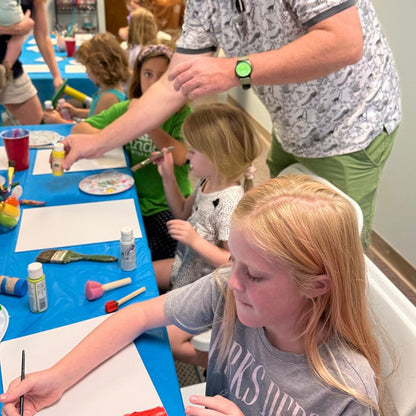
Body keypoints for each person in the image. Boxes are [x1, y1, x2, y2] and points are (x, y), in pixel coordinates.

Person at [0, 174, 386, 415]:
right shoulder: (231, 290)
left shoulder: (347, 391)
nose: (233, 280)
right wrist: (58, 377)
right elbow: (135, 316)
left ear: (317, 284)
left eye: (254, 274)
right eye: (234, 260)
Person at [58, 0, 401, 249]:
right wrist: (98, 141)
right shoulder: (205, 4)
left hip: (351, 127)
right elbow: (170, 85)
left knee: (332, 254)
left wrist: (234, 70)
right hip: (292, 128)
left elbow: (343, 40)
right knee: (285, 243)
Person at [72, 44, 192, 261]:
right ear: (138, 77)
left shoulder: (181, 114)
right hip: (128, 198)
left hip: (165, 205)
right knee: (103, 244)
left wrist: (146, 122)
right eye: (148, 74)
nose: (154, 82)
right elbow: (80, 129)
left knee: (152, 253)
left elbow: (182, 156)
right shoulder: (127, 107)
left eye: (161, 75)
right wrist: (115, 138)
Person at [152, 102, 261, 292]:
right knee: (140, 274)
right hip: (184, 268)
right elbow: (181, 212)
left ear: (216, 157)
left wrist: (194, 240)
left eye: (192, 151)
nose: (187, 155)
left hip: (202, 290)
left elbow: (232, 263)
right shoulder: (207, 181)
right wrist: (168, 176)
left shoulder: (230, 203)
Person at [43, 32, 129, 124]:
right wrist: (77, 112)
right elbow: (98, 114)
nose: (86, 71)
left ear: (100, 67)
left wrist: (59, 121)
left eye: (87, 66)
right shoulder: (109, 90)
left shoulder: (108, 97)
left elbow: (91, 130)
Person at [0, 0, 63, 124]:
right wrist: (16, 29)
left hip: (9, 69)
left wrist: (56, 76)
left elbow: (42, 36)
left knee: (38, 127)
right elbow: (22, 28)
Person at [0, 0, 25, 89]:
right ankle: (6, 67)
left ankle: (5, 69)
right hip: (11, 14)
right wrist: (19, 29)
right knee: (18, 35)